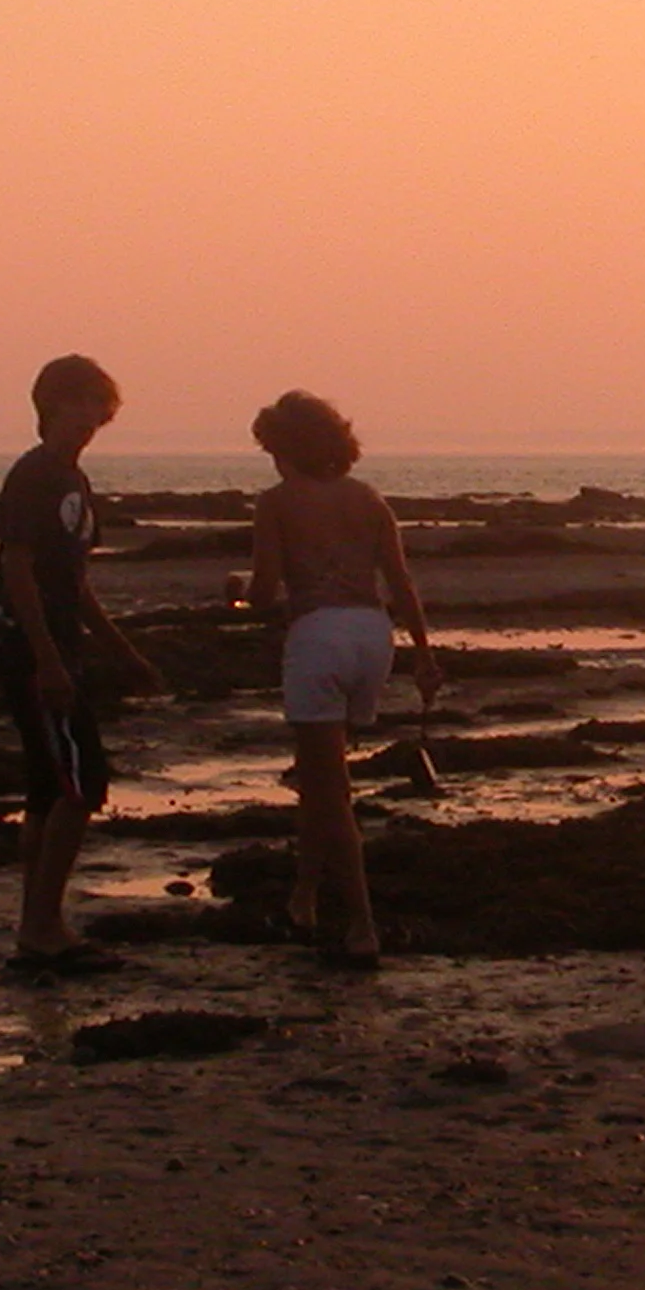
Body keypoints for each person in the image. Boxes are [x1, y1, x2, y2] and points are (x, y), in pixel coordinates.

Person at [0, 354, 165, 973]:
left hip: (62, 644)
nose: (89, 418)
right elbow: (20, 570)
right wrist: (49, 662)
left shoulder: (73, 481)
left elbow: (75, 581)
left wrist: (122, 650)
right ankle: (41, 928)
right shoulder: (33, 477)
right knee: (83, 784)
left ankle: (38, 920)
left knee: (45, 788)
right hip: (30, 649)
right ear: (50, 407)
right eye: (78, 404)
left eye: (97, 406)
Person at [242, 389, 443, 966]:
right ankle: (303, 896)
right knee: (319, 775)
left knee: (333, 794)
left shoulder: (276, 503)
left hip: (318, 637)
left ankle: (361, 922)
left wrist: (236, 592)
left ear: (285, 448)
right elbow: (401, 585)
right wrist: (424, 654)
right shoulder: (368, 499)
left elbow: (263, 590)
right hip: (370, 636)